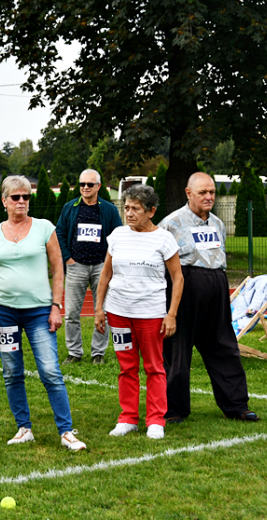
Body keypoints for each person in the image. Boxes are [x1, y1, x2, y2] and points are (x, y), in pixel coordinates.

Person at [0, 175, 87, 451]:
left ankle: (66, 431)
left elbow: (58, 268)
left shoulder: (44, 228)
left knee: (50, 370)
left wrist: (56, 306)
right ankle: (23, 427)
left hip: (39, 312)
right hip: (4, 313)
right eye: (15, 197)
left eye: (26, 197)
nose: (21, 202)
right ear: (4, 201)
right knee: (11, 371)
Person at [159, 172, 259, 422]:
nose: (209, 196)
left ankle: (237, 406)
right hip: (185, 287)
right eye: (203, 192)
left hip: (216, 287)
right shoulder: (171, 223)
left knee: (224, 346)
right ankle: (175, 410)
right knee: (178, 349)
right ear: (188, 193)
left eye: (212, 192)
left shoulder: (217, 223)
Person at [94, 184, 183, 440]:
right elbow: (106, 275)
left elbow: (178, 279)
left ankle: (156, 420)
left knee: (155, 367)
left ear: (151, 211)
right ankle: (128, 418)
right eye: (126, 208)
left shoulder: (164, 238)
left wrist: (171, 314)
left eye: (135, 209)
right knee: (126, 367)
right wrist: (99, 308)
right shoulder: (118, 236)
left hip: (151, 314)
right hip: (118, 312)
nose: (129, 213)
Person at [56, 168, 122, 365]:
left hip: (101, 267)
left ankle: (98, 353)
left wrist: (108, 264)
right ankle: (74, 352)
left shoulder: (109, 209)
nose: (85, 187)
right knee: (71, 314)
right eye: (82, 184)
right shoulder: (70, 207)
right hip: (76, 266)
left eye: (89, 184)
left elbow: (117, 237)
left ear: (98, 187)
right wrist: (68, 258)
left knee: (102, 310)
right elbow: (59, 233)